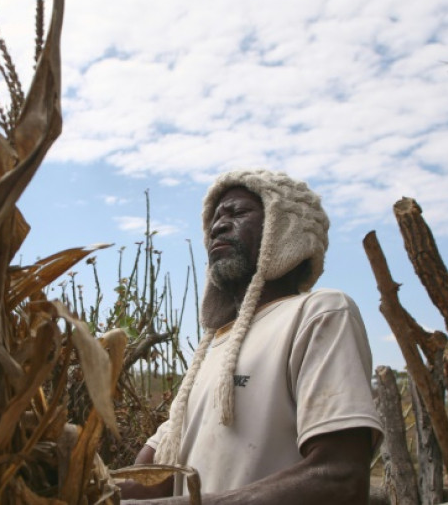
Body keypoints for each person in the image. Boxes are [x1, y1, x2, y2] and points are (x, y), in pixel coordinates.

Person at [119, 170, 384, 504]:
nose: (217, 226)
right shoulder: (212, 348)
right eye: (215, 218)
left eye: (238, 213)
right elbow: (153, 480)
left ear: (286, 228)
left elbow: (339, 477)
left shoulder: (319, 313)